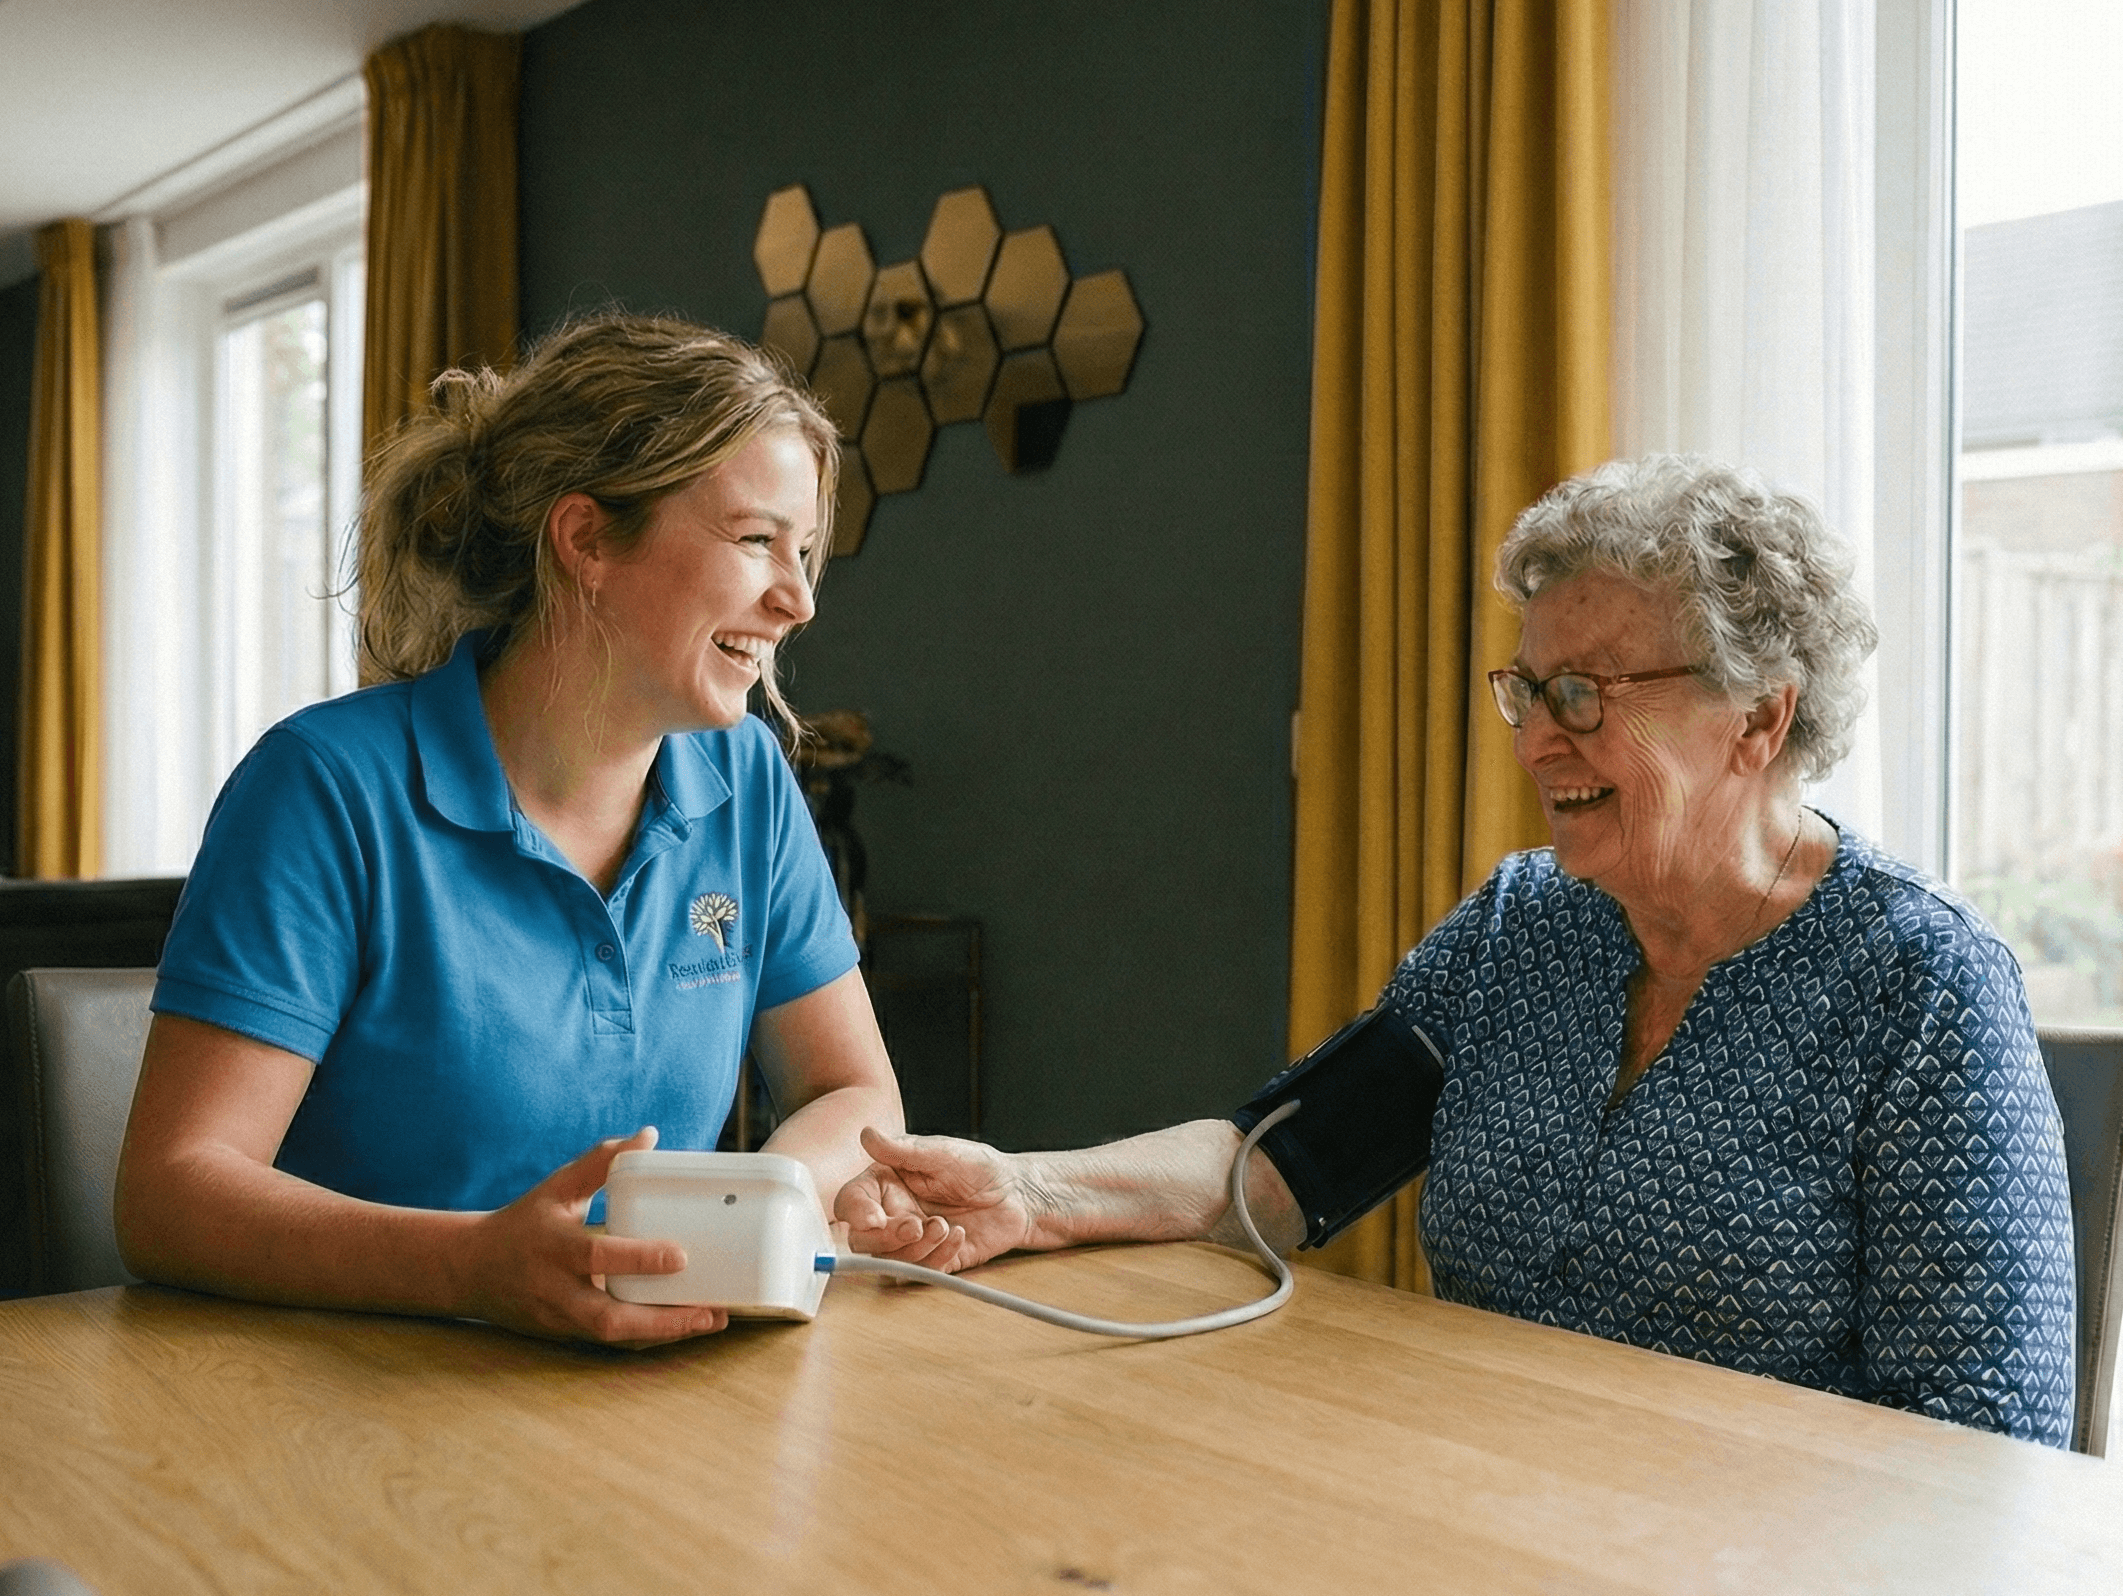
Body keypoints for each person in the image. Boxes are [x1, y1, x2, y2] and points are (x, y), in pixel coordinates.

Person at [837, 455, 2079, 1446]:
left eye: (1587, 694)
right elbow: (1279, 1161)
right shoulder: (1519, 926)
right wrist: (1029, 1192)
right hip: (1479, 1501)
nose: (1538, 741)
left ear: (1759, 717)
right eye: (1527, 691)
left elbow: (1984, 1443)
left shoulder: (1920, 986)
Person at [116, 314, 943, 1347]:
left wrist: (768, 1203)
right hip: (346, 1401)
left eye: (806, 550)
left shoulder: (748, 785)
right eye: (753, 540)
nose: (798, 599)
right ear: (587, 538)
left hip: (648, 1390)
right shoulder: (325, 789)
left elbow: (852, 1090)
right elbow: (171, 1194)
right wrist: (468, 1265)